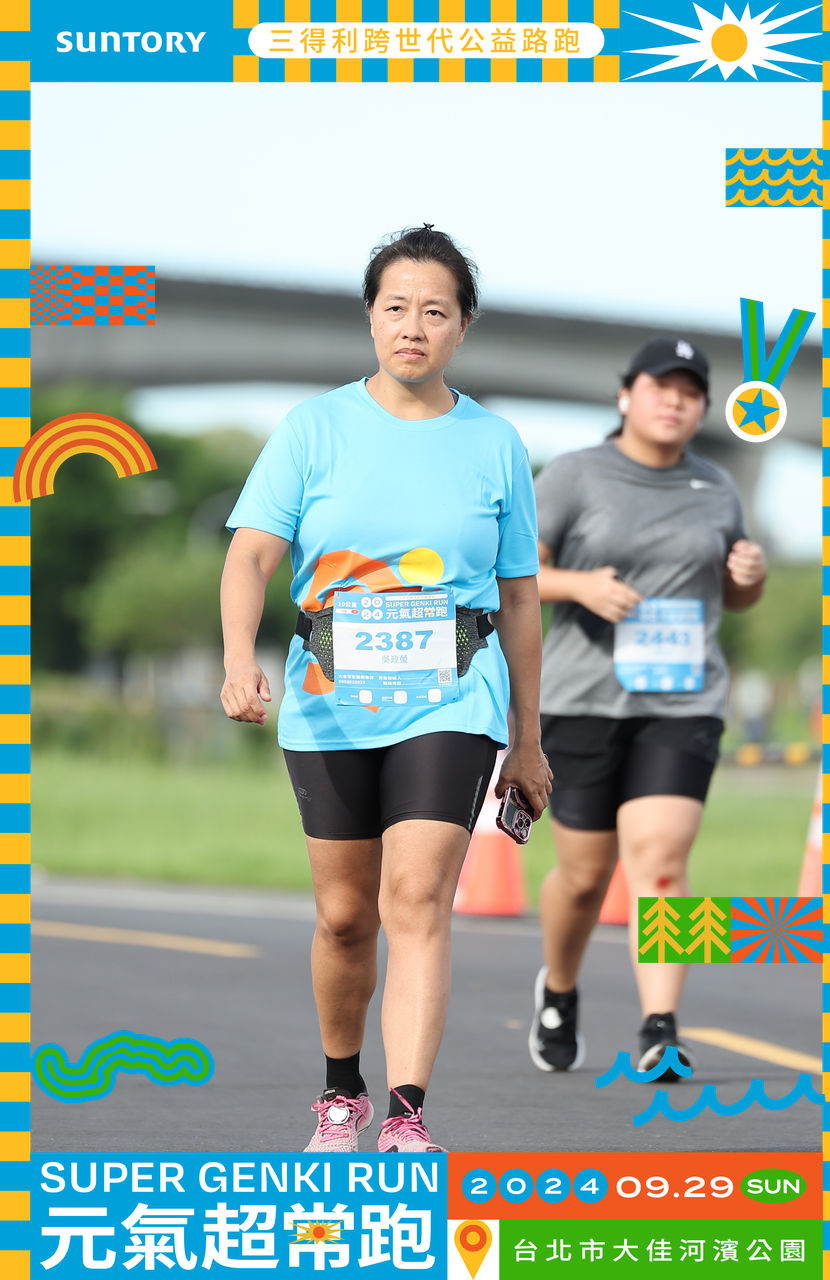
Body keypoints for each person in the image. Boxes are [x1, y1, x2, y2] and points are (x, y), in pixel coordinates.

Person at [220, 225, 551, 1152]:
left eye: (434, 311)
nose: (413, 326)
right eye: (396, 307)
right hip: (329, 697)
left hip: (454, 692)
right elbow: (251, 555)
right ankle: (342, 1093)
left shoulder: (493, 442)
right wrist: (239, 658)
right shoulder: (312, 430)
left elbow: (521, 598)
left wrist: (526, 738)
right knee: (343, 916)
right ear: (370, 317)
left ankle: (406, 1115)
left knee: (415, 898)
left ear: (462, 327)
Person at [528, 336, 766, 1079]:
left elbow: (734, 595)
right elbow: (514, 574)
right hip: (583, 698)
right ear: (625, 395)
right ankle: (558, 988)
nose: (674, 402)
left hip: (684, 698)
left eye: (690, 393)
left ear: (702, 410)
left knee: (663, 860)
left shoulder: (717, 487)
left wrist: (750, 576)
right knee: (583, 875)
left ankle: (661, 1026)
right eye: (661, 387)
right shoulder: (573, 475)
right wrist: (580, 586)